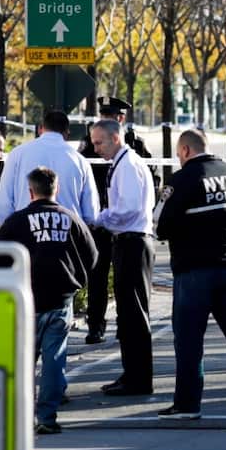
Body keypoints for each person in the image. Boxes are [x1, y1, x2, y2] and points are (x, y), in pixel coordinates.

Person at [155, 130, 226, 420]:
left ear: (184, 150)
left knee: (189, 338)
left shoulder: (184, 179)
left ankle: (187, 404)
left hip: (197, 269)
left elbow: (159, 224)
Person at [0, 167, 98, 435]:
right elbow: (92, 255)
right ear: (57, 190)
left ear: (31, 191)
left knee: (24, 360)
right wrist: (77, 280)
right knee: (55, 360)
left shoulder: (18, 221)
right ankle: (47, 417)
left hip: (27, 299)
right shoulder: (71, 219)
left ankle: (20, 416)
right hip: (61, 299)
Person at [89, 118, 156, 396]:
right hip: (128, 242)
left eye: (99, 142)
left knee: (134, 315)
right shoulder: (123, 163)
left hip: (133, 242)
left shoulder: (127, 165)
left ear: (115, 138)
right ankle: (131, 373)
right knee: (128, 315)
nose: (95, 149)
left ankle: (138, 379)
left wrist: (98, 218)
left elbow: (126, 210)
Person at [77, 96, 149, 345]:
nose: (98, 148)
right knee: (97, 276)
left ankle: (124, 324)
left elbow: (151, 176)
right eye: (105, 115)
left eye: (113, 116)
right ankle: (95, 324)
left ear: (121, 119)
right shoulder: (89, 144)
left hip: (121, 221)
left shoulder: (134, 145)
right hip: (101, 220)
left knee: (125, 282)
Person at [0, 110, 98, 226]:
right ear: (67, 132)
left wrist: (7, 232)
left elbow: (3, 204)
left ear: (41, 129)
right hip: (67, 234)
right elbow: (91, 214)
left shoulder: (17, 154)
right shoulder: (80, 161)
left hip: (25, 233)